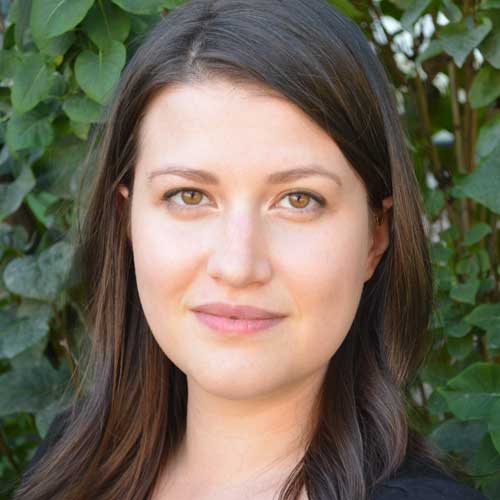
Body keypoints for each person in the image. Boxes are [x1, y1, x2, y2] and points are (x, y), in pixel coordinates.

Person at [14, 1, 488, 499]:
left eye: (298, 200)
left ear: (376, 235)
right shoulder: (71, 465)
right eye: (189, 196)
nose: (238, 265)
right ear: (126, 220)